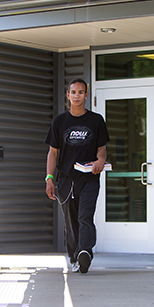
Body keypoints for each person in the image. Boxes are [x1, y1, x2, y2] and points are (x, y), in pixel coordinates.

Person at [45, 78, 110, 274]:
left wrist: (100, 161)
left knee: (85, 216)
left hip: (89, 178)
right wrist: (49, 178)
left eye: (81, 92)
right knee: (71, 220)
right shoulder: (59, 122)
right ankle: (74, 257)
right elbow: (53, 153)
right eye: (73, 92)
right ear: (68, 95)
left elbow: (102, 149)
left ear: (86, 95)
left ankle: (85, 252)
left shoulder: (96, 120)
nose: (77, 95)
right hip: (65, 179)